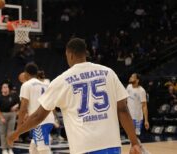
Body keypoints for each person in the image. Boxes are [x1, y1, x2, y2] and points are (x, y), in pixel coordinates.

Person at [8, 38, 141, 154]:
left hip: (84, 146)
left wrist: (16, 133)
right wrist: (134, 142)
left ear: (69, 55)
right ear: (85, 53)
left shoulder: (62, 80)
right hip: (111, 144)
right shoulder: (108, 73)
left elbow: (38, 116)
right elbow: (123, 109)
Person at [17, 63, 55, 154]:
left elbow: (23, 108)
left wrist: (18, 128)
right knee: (33, 149)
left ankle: (45, 141)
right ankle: (46, 139)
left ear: (26, 73)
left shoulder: (26, 85)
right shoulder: (45, 84)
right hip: (48, 119)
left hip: (40, 122)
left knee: (43, 151)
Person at [127, 73, 150, 153]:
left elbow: (144, 106)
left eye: (132, 77)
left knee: (133, 138)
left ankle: (140, 152)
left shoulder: (141, 91)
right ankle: (143, 151)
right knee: (132, 138)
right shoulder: (129, 87)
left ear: (137, 80)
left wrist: (146, 120)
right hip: (129, 116)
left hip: (137, 118)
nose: (130, 77)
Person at [0, 82, 19, 154]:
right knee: (3, 133)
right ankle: (4, 149)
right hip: (2, 115)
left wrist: (16, 107)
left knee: (10, 132)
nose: (5, 88)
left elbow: (19, 103)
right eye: (3, 87)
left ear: (8, 88)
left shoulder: (13, 96)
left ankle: (10, 148)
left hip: (12, 115)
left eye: (6, 87)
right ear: (1, 89)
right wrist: (1, 117)